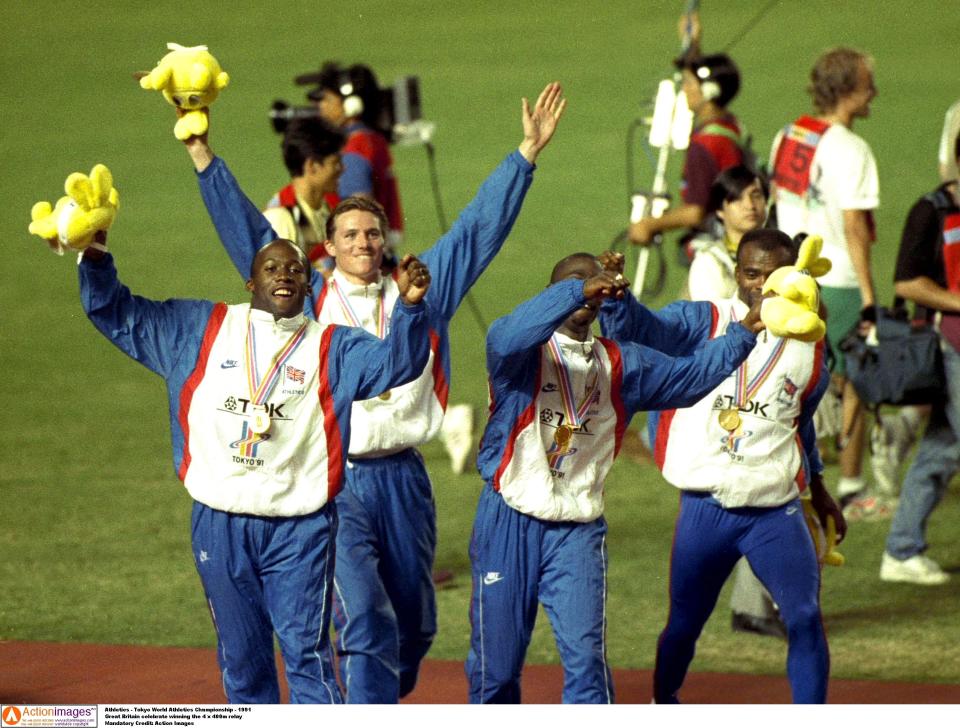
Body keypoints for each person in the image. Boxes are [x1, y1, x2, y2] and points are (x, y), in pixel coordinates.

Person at [177, 82, 567, 702]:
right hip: (338, 482)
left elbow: (475, 231)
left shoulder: (418, 292)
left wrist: (525, 154)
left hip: (406, 480)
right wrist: (203, 156)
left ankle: (373, 693)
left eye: (372, 233)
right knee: (366, 618)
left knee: (415, 628)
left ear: (383, 241)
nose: (363, 242)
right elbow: (246, 232)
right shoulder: (309, 301)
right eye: (350, 235)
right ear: (326, 247)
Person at [73, 229, 433, 703]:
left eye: (296, 270)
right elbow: (117, 313)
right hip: (219, 524)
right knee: (242, 661)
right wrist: (95, 256)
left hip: (300, 529)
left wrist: (408, 308)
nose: (284, 274)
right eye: (271, 267)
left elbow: (396, 365)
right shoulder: (200, 328)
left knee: (308, 656)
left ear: (309, 288)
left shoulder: (335, 347)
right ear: (250, 282)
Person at [467, 253, 763, 703]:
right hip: (508, 520)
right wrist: (576, 291)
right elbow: (507, 335)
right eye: (573, 282)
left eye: (594, 282)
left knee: (587, 662)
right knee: (497, 669)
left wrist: (741, 335)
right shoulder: (521, 356)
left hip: (578, 531)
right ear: (553, 293)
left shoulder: (622, 364)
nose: (588, 288)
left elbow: (691, 376)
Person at [600, 229, 846, 704]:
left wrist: (819, 489)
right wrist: (618, 300)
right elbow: (644, 329)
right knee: (684, 623)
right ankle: (662, 701)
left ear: (794, 273)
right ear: (737, 273)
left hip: (775, 513)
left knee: (803, 616)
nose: (761, 285)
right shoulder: (705, 319)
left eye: (774, 274)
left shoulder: (810, 348)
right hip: (704, 510)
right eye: (752, 273)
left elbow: (801, 424)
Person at [768, 47, 890, 521]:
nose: (874, 93)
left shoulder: (790, 134)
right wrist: (868, 298)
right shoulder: (852, 149)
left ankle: (795, 474)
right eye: (867, 84)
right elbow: (856, 229)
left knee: (802, 378)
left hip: (796, 274)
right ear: (847, 90)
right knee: (855, 378)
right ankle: (854, 486)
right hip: (837, 279)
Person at [682, 165, 786, 639]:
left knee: (770, 490)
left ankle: (762, 602)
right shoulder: (709, 262)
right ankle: (745, 605)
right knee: (742, 497)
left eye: (758, 195)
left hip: (769, 383)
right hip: (724, 391)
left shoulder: (783, 254)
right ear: (720, 209)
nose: (752, 204)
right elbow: (717, 320)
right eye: (740, 197)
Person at [878, 131, 960, 586]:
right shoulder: (931, 211)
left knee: (944, 446)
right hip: (949, 344)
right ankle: (901, 548)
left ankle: (902, 548)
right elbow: (907, 282)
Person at [629, 9, 749, 258]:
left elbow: (695, 211)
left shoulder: (706, 144)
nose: (683, 89)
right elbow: (705, 78)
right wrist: (694, 45)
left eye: (689, 84)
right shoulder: (727, 124)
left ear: (709, 93)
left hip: (718, 248)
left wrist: (649, 225)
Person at [298, 62, 405, 251]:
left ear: (350, 105)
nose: (320, 107)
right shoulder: (373, 139)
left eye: (327, 100)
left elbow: (360, 216)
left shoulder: (353, 151)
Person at [262, 116, 345, 274]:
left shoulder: (332, 205)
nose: (342, 169)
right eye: (335, 163)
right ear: (312, 166)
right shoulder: (281, 219)